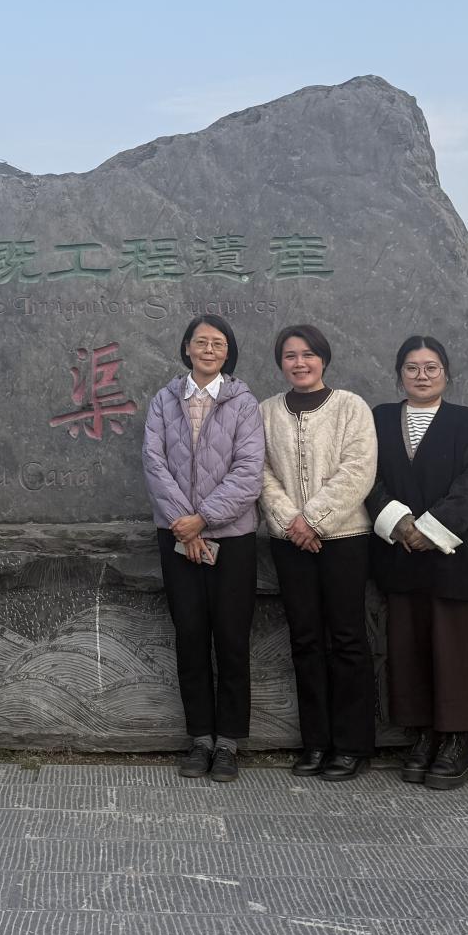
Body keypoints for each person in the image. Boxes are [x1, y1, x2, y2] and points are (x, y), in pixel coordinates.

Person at [365, 335, 468, 792]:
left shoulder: (465, 421)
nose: (422, 376)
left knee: (454, 649)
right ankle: (421, 735)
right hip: (400, 553)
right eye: (412, 368)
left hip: (453, 554)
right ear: (399, 373)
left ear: (446, 373)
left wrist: (431, 528)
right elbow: (367, 476)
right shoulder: (380, 418)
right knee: (408, 648)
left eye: (431, 367)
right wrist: (401, 525)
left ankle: (455, 739)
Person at [141, 315, 266, 782]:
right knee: (190, 636)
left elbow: (249, 471)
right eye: (201, 342)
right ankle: (199, 739)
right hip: (177, 536)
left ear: (228, 352)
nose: (209, 349)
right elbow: (153, 463)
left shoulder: (243, 402)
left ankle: (228, 742)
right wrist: (186, 526)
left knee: (231, 639)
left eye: (218, 343)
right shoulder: (164, 400)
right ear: (187, 348)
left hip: (232, 538)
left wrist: (204, 519)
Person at [257, 324, 379, 782]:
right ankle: (316, 741)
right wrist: (292, 522)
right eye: (290, 355)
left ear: (323, 359)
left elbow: (358, 469)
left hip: (345, 538)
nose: (300, 363)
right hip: (289, 541)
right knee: (305, 640)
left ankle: (352, 745)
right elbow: (260, 472)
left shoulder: (350, 406)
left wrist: (315, 519)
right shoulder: (265, 411)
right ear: (280, 363)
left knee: (347, 638)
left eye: (308, 354)